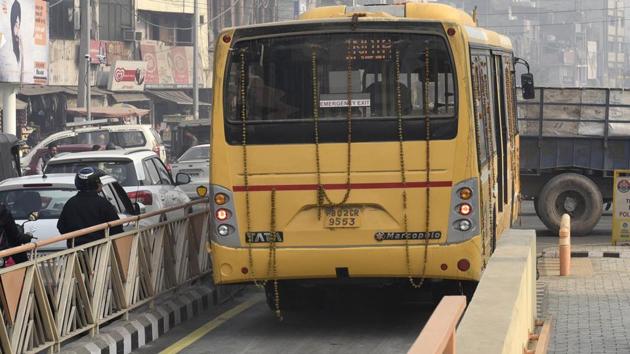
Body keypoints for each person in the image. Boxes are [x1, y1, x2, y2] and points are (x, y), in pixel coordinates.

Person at [57, 167, 123, 248]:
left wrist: (76, 238)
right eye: (99, 182)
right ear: (95, 184)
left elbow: (61, 227)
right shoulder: (103, 203)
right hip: (100, 251)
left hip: (76, 252)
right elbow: (117, 228)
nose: (101, 184)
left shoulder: (70, 203)